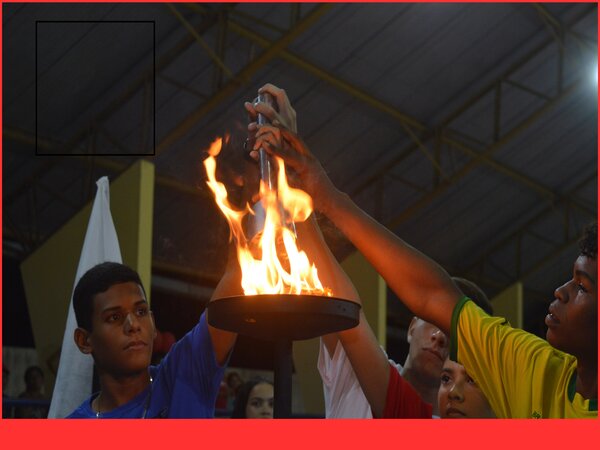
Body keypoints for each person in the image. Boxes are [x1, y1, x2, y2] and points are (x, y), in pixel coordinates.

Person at [251, 93, 597, 418]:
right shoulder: (532, 367)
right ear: (412, 323)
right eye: (448, 378)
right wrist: (314, 193)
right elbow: (430, 293)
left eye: (583, 286)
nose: (560, 291)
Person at [67, 260, 239, 418]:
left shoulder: (183, 375)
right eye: (114, 317)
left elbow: (237, 271)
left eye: (141, 312)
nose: (133, 325)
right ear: (84, 341)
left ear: (153, 322)